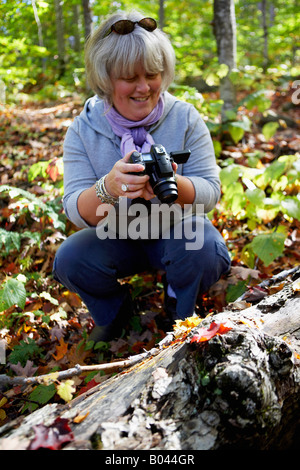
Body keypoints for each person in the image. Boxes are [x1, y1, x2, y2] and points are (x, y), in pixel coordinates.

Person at [52, 10, 231, 342]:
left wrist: (175, 183)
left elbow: (211, 191)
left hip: (176, 229)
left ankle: (178, 304)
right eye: (129, 78)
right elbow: (76, 210)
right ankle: (114, 311)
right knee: (70, 258)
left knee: (205, 246)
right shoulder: (83, 130)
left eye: (152, 74)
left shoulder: (185, 117)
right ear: (105, 78)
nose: (144, 87)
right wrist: (109, 186)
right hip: (117, 233)